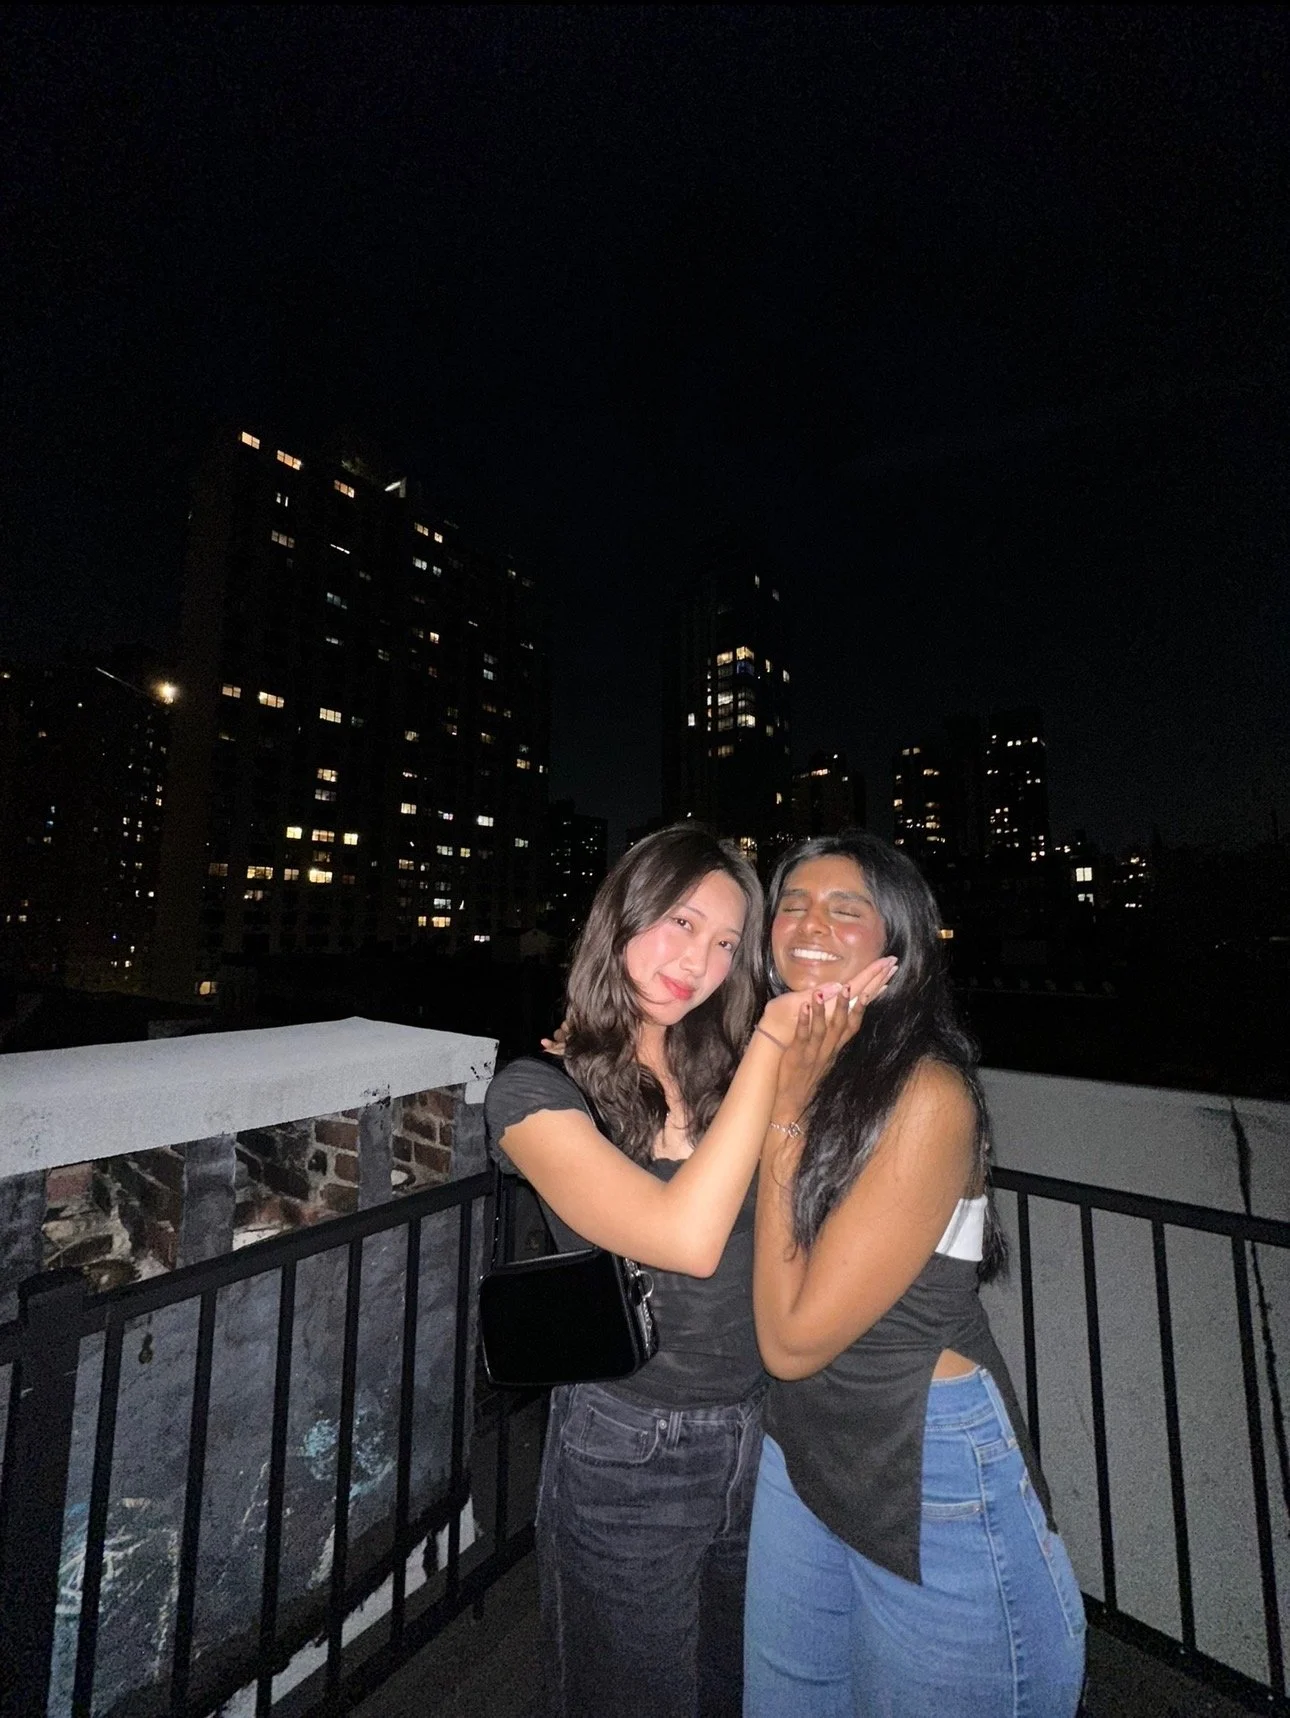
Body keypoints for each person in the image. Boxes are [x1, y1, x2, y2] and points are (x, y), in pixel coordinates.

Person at [483, 824, 893, 1718]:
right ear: (622, 916)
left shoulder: (716, 1067)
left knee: (736, 1683)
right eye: (678, 922)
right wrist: (774, 1047)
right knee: (629, 1696)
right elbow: (688, 1238)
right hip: (632, 1444)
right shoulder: (532, 1093)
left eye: (721, 944)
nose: (696, 962)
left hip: (763, 1430)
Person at [744, 833, 1086, 1718]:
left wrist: (783, 1116)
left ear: (898, 945)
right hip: (803, 1445)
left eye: (844, 908)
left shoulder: (927, 1095)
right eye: (791, 903)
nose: (808, 923)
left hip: (926, 1457)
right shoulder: (805, 1062)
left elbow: (788, 1339)